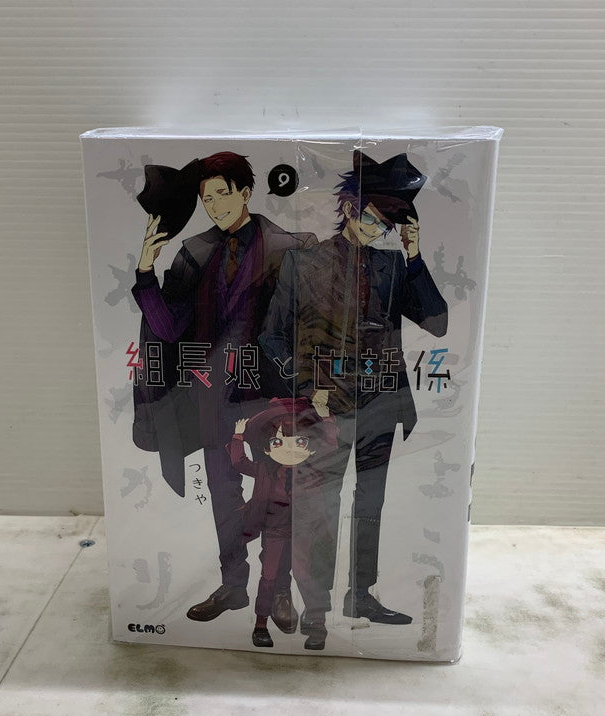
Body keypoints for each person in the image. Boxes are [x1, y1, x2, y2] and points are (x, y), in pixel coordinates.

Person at [260, 151, 448, 627]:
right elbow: (271, 336)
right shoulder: (303, 262)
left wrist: (414, 255)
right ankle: (316, 603)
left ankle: (360, 594)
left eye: (385, 223)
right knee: (320, 505)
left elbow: (437, 322)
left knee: (370, 502)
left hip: (381, 402)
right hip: (324, 407)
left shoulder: (391, 265)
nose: (376, 228)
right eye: (371, 216)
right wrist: (308, 386)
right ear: (348, 207)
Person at [131, 152, 317, 626]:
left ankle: (278, 592)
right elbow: (167, 328)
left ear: (245, 192)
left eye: (221, 194)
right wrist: (146, 272)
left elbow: (308, 328)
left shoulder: (291, 247)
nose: (213, 205)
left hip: (271, 394)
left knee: (280, 496)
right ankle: (234, 586)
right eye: (206, 198)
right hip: (213, 394)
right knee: (223, 494)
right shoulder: (194, 252)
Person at [228, 397, 338, 650]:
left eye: (300, 442)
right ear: (267, 448)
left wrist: (327, 420)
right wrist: (238, 437)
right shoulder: (265, 470)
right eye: (277, 442)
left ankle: (318, 625)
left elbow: (330, 450)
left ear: (311, 447)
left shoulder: (313, 471)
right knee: (268, 576)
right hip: (274, 530)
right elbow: (239, 463)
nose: (289, 449)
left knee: (305, 575)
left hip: (304, 530)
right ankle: (260, 625)